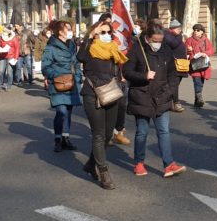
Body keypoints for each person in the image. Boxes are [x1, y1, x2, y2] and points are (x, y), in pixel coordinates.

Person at [123, 22, 186, 178]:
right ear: (147, 38)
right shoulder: (137, 49)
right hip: (142, 97)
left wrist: (171, 91)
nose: (158, 43)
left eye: (160, 40)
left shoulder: (165, 49)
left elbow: (172, 73)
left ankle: (169, 164)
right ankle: (139, 163)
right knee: (142, 132)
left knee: (164, 131)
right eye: (155, 40)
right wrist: (144, 76)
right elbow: (127, 71)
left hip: (162, 96)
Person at [77, 19, 128, 189]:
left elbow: (118, 70)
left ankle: (90, 164)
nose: (106, 35)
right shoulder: (89, 48)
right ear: (95, 34)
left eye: (108, 32)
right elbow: (80, 57)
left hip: (111, 93)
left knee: (107, 136)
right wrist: (89, 37)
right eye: (102, 32)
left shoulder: (113, 49)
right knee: (98, 135)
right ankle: (104, 173)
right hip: (92, 95)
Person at [41, 20, 83, 153]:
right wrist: (57, 76)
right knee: (61, 112)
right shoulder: (50, 48)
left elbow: (76, 63)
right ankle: (57, 139)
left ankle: (66, 138)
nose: (71, 31)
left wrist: (78, 76)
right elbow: (45, 67)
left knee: (69, 112)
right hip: (58, 85)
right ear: (60, 32)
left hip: (72, 83)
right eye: (68, 29)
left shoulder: (72, 45)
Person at [184, 23, 215, 108]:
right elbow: (184, 50)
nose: (196, 31)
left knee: (201, 82)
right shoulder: (189, 40)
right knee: (197, 81)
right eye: (194, 30)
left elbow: (211, 50)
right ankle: (200, 98)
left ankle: (197, 100)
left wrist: (205, 53)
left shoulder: (206, 40)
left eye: (198, 30)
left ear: (202, 32)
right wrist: (188, 50)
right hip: (194, 64)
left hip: (203, 64)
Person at [164, 19, 188, 112]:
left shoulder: (175, 35)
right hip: (173, 65)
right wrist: (179, 36)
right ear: (172, 28)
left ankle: (169, 101)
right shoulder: (168, 35)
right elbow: (174, 44)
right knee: (174, 85)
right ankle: (175, 103)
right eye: (178, 29)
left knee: (174, 85)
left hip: (180, 65)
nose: (180, 31)